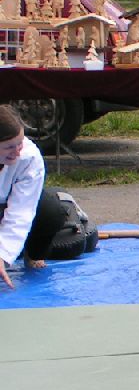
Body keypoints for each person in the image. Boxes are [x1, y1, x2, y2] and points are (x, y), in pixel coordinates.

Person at [0, 105, 64, 290]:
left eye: (20, 143)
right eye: (9, 147)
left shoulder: (29, 156)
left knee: (51, 212)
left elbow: (22, 211)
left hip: (8, 205)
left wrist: (2, 255)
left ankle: (33, 255)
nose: (17, 152)